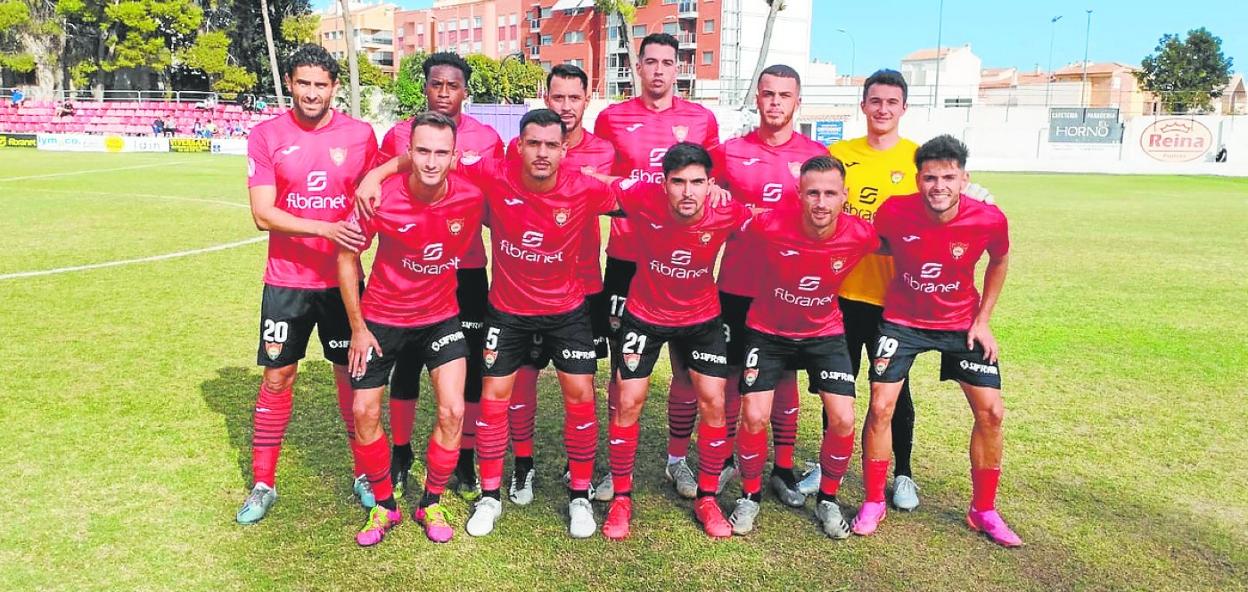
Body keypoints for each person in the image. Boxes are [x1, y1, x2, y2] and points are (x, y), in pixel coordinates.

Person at [454, 109, 630, 539]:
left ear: (564, 150)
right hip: (507, 311)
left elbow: (641, 196)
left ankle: (580, 496)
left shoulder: (585, 187)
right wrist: (372, 178)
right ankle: (491, 496)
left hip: (568, 312)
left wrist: (713, 194)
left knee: (580, 398)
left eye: (551, 145)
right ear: (519, 146)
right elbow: (432, 161)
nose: (542, 152)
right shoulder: (494, 174)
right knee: (495, 398)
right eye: (533, 143)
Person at [851, 135, 1020, 548]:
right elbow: (878, 243)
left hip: (961, 324)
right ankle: (874, 500)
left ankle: (984, 511)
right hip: (902, 321)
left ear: (965, 179)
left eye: (948, 177)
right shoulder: (894, 212)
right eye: (930, 178)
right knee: (880, 405)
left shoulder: (989, 219)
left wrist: (983, 320)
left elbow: (998, 260)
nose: (938, 186)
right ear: (918, 179)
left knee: (992, 412)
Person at [234, 44, 379, 525]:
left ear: (334, 87)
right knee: (277, 378)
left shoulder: (360, 135)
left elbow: (373, 201)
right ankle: (263, 483)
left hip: (344, 282)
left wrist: (354, 239)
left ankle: (363, 474)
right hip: (287, 282)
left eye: (321, 84)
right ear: (291, 85)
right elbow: (262, 213)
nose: (312, 93)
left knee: (350, 380)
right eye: (304, 83)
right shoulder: (266, 135)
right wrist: (325, 228)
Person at [357, 52, 505, 502]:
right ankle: (400, 452)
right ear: (424, 87)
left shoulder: (488, 136)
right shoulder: (399, 133)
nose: (444, 93)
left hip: (466, 267)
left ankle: (463, 455)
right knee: (404, 362)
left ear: (465, 90)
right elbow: (388, 184)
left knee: (470, 366)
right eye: (436, 84)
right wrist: (378, 172)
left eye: (453, 85)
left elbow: (494, 192)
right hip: (408, 269)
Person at [336, 112, 485, 546]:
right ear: (408, 153)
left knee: (453, 410)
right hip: (381, 318)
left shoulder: (472, 197)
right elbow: (346, 259)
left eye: (441, 152)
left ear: (454, 157)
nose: (431, 162)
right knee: (363, 411)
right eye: (422, 151)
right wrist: (358, 328)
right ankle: (384, 505)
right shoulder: (379, 197)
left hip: (440, 316)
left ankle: (431, 500)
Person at [592, 32, 721, 500]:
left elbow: (712, 185)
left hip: (683, 267)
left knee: (688, 370)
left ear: (679, 67)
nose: (660, 70)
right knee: (623, 371)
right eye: (651, 62)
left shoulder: (702, 119)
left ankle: (675, 460)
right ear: (638, 67)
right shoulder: (612, 118)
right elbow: (604, 182)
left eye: (669, 62)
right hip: (628, 260)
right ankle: (613, 464)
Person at [594, 142, 744, 540]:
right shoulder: (642, 197)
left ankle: (707, 498)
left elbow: (768, 219)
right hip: (644, 315)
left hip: (701, 318)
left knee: (714, 400)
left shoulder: (727, 209)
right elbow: (600, 182)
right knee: (628, 400)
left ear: (711, 184)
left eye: (698, 182)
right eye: (678, 182)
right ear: (664, 184)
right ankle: (622, 500)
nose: (688, 192)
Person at [727, 155, 879, 538]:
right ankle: (750, 495)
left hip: (824, 333)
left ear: (845, 195)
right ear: (799, 194)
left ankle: (827, 499)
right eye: (813, 192)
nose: (821, 202)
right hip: (767, 330)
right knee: (754, 415)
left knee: (843, 417)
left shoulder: (861, 234)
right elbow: (726, 217)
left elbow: (915, 239)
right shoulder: (769, 223)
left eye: (830, 193)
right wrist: (712, 191)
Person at [711, 64, 830, 507]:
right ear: (756, 98)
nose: (776, 102)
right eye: (768, 94)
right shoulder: (730, 152)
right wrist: (716, 193)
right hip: (737, 282)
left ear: (797, 101)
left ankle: (782, 466)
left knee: (783, 380)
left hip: (789, 289)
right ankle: (724, 458)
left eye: (785, 94)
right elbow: (704, 194)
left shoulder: (816, 155)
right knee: (729, 374)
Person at [503, 64, 617, 507]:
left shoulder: (603, 151)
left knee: (582, 384)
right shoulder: (526, 149)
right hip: (524, 287)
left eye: (574, 98)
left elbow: (620, 193)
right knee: (523, 379)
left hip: (583, 286)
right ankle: (523, 465)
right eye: (558, 97)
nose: (566, 106)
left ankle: (579, 465)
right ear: (545, 97)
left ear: (587, 99)